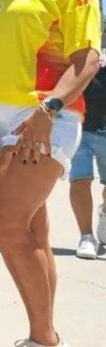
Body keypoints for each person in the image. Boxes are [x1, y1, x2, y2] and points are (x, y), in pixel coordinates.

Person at [0, 0, 101, 347]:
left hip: (46, 115)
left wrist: (49, 110)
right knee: (32, 229)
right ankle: (43, 335)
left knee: (5, 224)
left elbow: (87, 59)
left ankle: (43, 338)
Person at [68, 52, 106, 259]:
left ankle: (105, 214)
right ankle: (86, 236)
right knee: (80, 180)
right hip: (79, 126)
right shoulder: (80, 46)